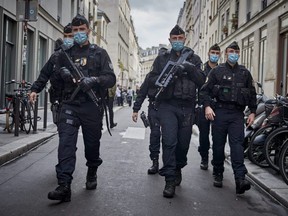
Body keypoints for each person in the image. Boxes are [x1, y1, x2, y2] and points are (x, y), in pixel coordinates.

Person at [47, 14, 116, 202]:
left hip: (91, 106)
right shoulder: (64, 54)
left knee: (92, 145)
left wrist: (94, 80)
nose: (78, 33)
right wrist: (61, 73)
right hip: (69, 104)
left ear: (88, 31)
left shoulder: (99, 53)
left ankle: (92, 170)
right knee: (66, 145)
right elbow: (52, 80)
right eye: (75, 30)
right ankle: (64, 185)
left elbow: (111, 78)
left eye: (81, 30)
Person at [148, 25, 205, 198]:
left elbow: (202, 81)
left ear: (185, 39)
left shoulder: (194, 58)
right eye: (175, 38)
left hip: (187, 107)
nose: (177, 41)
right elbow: (151, 79)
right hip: (168, 105)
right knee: (169, 142)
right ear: (170, 39)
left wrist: (188, 67)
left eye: (180, 38)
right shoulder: (162, 58)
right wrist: (166, 77)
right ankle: (170, 180)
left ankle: (178, 166)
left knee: (183, 145)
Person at [199, 41, 256, 194]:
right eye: (231, 51)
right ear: (226, 53)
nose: (234, 54)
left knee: (237, 145)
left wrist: (252, 111)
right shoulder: (216, 71)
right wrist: (207, 106)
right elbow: (204, 92)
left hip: (237, 114)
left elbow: (252, 93)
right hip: (220, 113)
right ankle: (218, 172)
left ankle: (240, 178)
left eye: (236, 52)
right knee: (218, 145)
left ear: (239, 54)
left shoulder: (245, 73)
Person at [29, 23, 74, 124]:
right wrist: (34, 90)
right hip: (59, 101)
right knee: (64, 135)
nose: (67, 39)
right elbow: (44, 74)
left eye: (71, 36)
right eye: (65, 36)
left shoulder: (81, 55)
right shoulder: (56, 56)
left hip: (76, 102)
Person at [197, 44, 221, 170]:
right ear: (208, 53)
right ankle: (204, 158)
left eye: (217, 53)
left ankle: (216, 161)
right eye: (213, 52)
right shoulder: (201, 69)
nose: (215, 55)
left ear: (220, 55)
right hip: (203, 106)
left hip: (217, 106)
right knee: (204, 134)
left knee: (217, 135)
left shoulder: (222, 69)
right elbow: (199, 89)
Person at [132, 72, 161, 175]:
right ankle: (155, 161)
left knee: (169, 137)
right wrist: (136, 109)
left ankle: (171, 164)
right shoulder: (151, 75)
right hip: (154, 107)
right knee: (155, 134)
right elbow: (142, 92)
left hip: (168, 107)